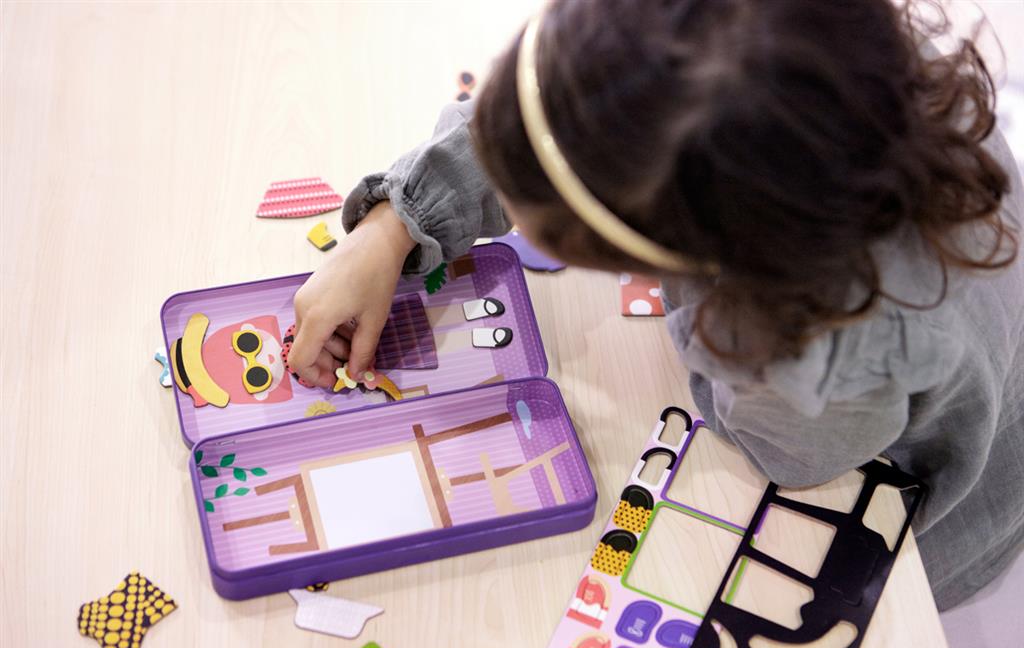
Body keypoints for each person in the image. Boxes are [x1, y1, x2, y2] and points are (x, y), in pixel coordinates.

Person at [286, 0, 1022, 610]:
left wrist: (718, 339)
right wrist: (393, 225)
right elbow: (578, 105)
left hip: (938, 508)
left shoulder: (815, 348)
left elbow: (793, 458)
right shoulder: (775, 49)